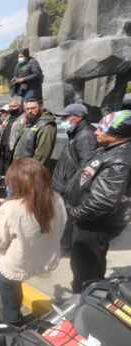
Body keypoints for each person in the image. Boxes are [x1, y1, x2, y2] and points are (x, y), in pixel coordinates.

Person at [0, 158, 66, 324]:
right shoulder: (56, 199)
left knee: (10, 295)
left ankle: (12, 325)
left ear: (18, 184)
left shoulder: (12, 209)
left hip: (13, 265)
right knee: (15, 286)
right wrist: (8, 206)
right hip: (41, 258)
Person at [65, 111, 131, 293]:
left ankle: (84, 302)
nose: (96, 132)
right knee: (94, 261)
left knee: (84, 268)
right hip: (95, 222)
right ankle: (95, 288)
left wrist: (73, 214)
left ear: (118, 135)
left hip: (93, 225)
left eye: (102, 129)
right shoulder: (112, 149)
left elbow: (101, 202)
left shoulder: (119, 161)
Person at [52, 104, 99, 254]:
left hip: (71, 190)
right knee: (64, 218)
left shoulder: (85, 136)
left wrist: (74, 190)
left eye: (66, 117)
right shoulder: (76, 132)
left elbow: (87, 169)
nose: (63, 120)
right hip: (66, 186)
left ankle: (66, 248)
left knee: (69, 219)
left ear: (78, 117)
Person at [12, 97, 57, 167]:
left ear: (41, 107)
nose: (29, 111)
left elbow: (42, 155)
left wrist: (30, 172)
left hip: (31, 172)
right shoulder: (30, 122)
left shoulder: (46, 125)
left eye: (33, 108)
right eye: (27, 109)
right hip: (20, 169)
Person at [0, 97, 26, 175]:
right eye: (10, 106)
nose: (11, 108)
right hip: (3, 152)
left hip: (14, 153)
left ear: (21, 106)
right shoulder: (8, 118)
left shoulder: (24, 119)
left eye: (14, 106)